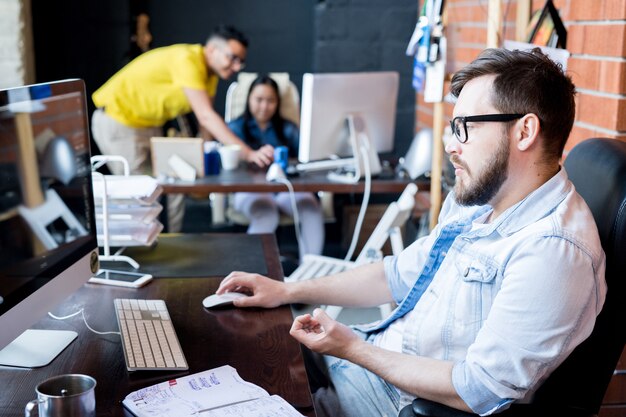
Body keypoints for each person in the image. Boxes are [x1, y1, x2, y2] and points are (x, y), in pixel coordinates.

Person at [215, 48, 607, 417]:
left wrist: (351, 348)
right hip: (367, 364)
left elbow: (481, 387)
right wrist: (286, 291)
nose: (452, 146)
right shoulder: (482, 202)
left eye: (464, 127)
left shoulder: (553, 251)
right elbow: (396, 274)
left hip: (393, 400)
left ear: (524, 132)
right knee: (232, 348)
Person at [91, 24, 273, 176]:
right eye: (232, 58)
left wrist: (206, 154)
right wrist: (248, 154)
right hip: (119, 120)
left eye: (241, 61)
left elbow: (205, 125)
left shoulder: (211, 76)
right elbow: (206, 116)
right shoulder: (188, 60)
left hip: (149, 125)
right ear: (212, 50)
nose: (237, 66)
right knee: (139, 194)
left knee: (174, 183)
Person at [228, 75, 324, 259]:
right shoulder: (234, 129)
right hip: (249, 190)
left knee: (310, 207)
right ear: (249, 99)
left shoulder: (289, 129)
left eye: (270, 100)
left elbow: (306, 160)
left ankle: (311, 273)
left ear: (278, 102)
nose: (264, 106)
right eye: (259, 100)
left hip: (285, 190)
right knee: (266, 213)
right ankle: (248, 273)